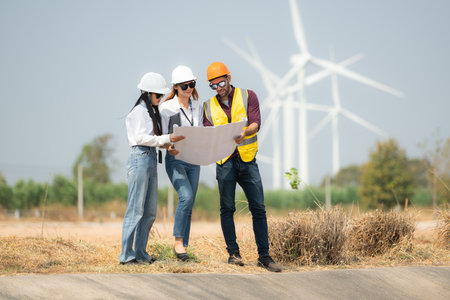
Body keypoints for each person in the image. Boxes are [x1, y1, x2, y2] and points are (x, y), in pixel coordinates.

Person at [203, 62, 282, 272]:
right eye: (213, 85)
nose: (218, 88)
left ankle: (264, 256)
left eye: (221, 82)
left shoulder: (249, 96)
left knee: (258, 208)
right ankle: (234, 254)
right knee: (227, 209)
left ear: (228, 78)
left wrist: (244, 133)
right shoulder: (207, 106)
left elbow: (256, 123)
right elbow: (208, 133)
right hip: (224, 162)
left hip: (247, 160)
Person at [119, 72, 184, 265]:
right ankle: (126, 255)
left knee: (149, 212)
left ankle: (140, 253)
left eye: (162, 95)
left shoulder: (150, 111)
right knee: (135, 210)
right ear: (147, 93)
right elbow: (140, 138)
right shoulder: (139, 111)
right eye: (157, 95)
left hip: (150, 158)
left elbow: (152, 138)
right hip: (140, 157)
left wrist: (167, 146)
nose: (160, 98)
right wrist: (167, 139)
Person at [160, 65, 203, 261]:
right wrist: (168, 146)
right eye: (185, 85)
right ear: (176, 87)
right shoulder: (166, 108)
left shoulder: (198, 107)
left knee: (190, 202)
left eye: (192, 84)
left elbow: (201, 132)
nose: (189, 89)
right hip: (176, 159)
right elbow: (161, 136)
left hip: (194, 160)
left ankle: (184, 247)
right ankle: (178, 242)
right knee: (185, 196)